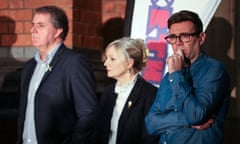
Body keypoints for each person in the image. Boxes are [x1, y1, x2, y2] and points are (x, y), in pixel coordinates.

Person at [145, 10, 230, 144]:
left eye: (185, 36)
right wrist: (187, 121)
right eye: (172, 37)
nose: (178, 43)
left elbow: (196, 115)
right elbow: (151, 123)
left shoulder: (214, 70)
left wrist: (177, 75)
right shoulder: (170, 76)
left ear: (201, 38)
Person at [16, 5, 98, 144]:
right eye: (33, 25)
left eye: (41, 25)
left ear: (58, 31)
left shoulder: (73, 63)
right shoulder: (29, 66)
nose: (33, 30)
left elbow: (88, 113)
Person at [91, 37, 159, 144]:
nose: (105, 63)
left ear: (129, 63)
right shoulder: (108, 92)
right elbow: (98, 131)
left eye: (112, 59)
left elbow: (149, 138)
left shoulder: (149, 94)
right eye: (106, 58)